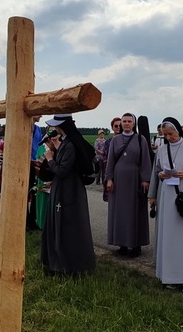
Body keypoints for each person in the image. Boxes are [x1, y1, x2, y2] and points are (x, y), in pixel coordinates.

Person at [148, 117, 183, 293]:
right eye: (165, 135)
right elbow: (155, 172)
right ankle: (171, 275)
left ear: (178, 131)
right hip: (166, 195)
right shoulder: (162, 150)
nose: (168, 138)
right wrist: (155, 189)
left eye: (171, 134)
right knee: (170, 236)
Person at [40, 113, 96, 275]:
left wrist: (50, 158)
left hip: (69, 190)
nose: (54, 128)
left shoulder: (70, 145)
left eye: (56, 125)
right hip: (62, 188)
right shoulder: (65, 143)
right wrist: (54, 151)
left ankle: (68, 265)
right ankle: (57, 263)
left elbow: (63, 170)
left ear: (63, 126)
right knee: (59, 224)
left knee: (68, 227)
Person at [105, 113, 152, 258]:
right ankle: (122, 244)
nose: (126, 124)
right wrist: (109, 178)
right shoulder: (115, 140)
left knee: (134, 211)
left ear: (134, 124)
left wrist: (145, 179)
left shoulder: (140, 139)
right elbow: (110, 160)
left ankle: (136, 245)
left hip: (134, 179)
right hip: (118, 179)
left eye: (129, 121)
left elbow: (145, 160)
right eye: (123, 121)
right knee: (120, 212)